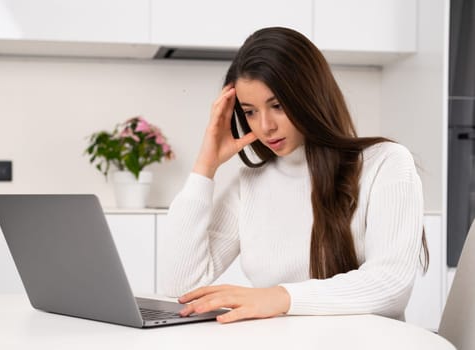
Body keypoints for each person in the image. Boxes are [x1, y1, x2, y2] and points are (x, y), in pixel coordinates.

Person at [158, 27, 428, 324]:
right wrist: (205, 166)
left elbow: (391, 285)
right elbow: (180, 286)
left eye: (277, 106)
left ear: (310, 96)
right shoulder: (250, 183)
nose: (265, 126)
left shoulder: (385, 163)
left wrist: (280, 297)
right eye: (249, 111)